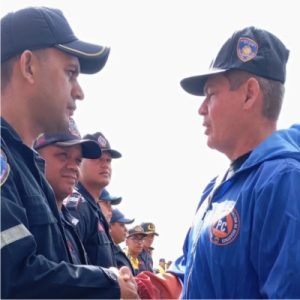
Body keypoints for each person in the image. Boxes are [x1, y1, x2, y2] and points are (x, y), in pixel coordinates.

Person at [1, 7, 138, 299]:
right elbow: (12, 277)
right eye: (71, 73)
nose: (79, 91)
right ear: (28, 67)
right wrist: (109, 284)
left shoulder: (27, 166)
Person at [167, 26, 300, 298]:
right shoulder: (216, 189)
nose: (201, 108)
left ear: (249, 94)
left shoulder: (284, 180)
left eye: (210, 93)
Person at [33, 118, 101, 264]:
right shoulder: (25, 212)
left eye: (78, 160)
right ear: (36, 156)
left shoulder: (68, 220)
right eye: (63, 155)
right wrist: (109, 280)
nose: (73, 166)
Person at [65, 132, 122, 268]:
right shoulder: (77, 207)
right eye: (98, 158)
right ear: (80, 162)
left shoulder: (94, 209)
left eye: (108, 160)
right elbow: (72, 268)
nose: (105, 165)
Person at [110, 208, 135, 273]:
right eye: (122, 225)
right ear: (109, 226)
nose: (126, 230)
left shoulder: (116, 249)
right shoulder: (107, 252)